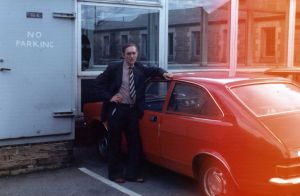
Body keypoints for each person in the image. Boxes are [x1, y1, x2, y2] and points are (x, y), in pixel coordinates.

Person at [94, 43, 172, 183]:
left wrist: (163, 72)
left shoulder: (139, 68)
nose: (131, 56)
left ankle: (133, 174)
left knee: (134, 144)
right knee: (115, 143)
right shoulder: (114, 68)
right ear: (123, 55)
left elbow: (153, 70)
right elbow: (98, 83)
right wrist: (109, 97)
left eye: (134, 53)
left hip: (132, 111)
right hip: (117, 110)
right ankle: (115, 174)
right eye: (128, 53)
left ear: (137, 54)